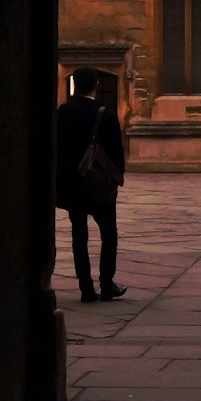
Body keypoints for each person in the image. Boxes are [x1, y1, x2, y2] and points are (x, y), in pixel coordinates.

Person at [56, 66, 128, 302]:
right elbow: (117, 154)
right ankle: (107, 284)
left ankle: (86, 289)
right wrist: (117, 180)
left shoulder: (63, 112)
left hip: (74, 185)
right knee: (109, 234)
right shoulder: (105, 114)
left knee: (79, 237)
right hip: (99, 185)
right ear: (96, 85)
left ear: (75, 84)